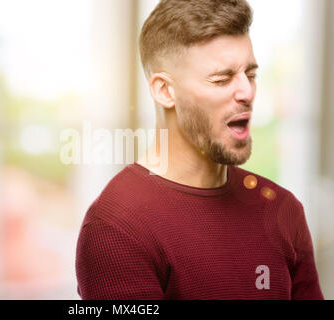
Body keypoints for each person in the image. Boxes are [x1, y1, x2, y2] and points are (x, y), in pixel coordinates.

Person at [75, 0, 324, 299]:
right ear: (165, 91)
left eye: (251, 74)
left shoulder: (283, 211)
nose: (247, 92)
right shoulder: (116, 228)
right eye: (222, 78)